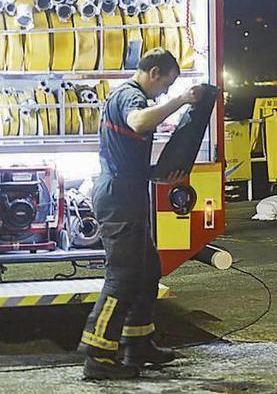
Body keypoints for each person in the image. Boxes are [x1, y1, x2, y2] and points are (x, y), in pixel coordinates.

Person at [80, 48, 203, 380]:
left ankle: (138, 343)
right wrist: (180, 101)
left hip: (128, 191)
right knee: (122, 276)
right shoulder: (130, 97)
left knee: (148, 269)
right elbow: (139, 120)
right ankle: (98, 357)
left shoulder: (130, 96)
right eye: (166, 84)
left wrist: (157, 174)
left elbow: (127, 153)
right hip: (118, 196)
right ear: (154, 73)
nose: (164, 92)